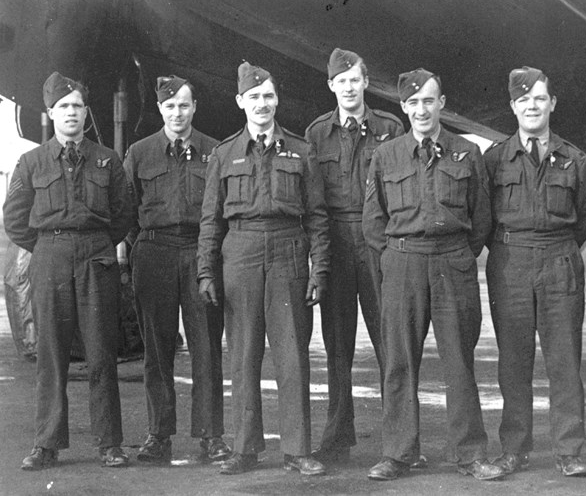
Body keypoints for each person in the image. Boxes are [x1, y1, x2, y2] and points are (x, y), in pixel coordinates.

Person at [362, 68, 504, 482]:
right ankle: (398, 453)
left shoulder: (466, 152)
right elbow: (373, 221)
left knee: (459, 359)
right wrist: (399, 255)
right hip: (404, 262)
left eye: (429, 100)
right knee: (399, 361)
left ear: (442, 103)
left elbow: (481, 219)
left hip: (452, 263)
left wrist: (457, 254)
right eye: (412, 102)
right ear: (403, 108)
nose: (421, 109)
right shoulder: (386, 155)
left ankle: (470, 453)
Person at [197, 62, 330, 476]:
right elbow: (211, 221)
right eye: (253, 97)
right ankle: (244, 448)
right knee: (243, 355)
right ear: (240, 102)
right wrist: (206, 271)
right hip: (240, 252)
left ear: (277, 100)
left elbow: (318, 217)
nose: (262, 104)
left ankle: (297, 449)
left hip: (289, 249)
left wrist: (319, 268)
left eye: (268, 96)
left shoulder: (302, 151)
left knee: (292, 356)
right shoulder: (224, 154)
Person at [4, 72, 135, 470]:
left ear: (85, 111)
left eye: (77, 105)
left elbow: (124, 215)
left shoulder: (107, 160)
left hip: (96, 256)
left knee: (101, 354)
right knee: (51, 355)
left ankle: (109, 443)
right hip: (51, 258)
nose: (71, 113)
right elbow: (14, 220)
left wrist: (95, 243)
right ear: (51, 112)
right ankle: (46, 443)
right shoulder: (31, 162)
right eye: (63, 106)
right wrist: (47, 246)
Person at [483, 67, 586, 478]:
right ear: (513, 107)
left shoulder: (575, 158)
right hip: (510, 263)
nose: (532, 106)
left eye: (539, 99)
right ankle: (514, 449)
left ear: (552, 104)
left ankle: (569, 450)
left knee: (564, 360)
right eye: (523, 100)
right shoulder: (495, 158)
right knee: (513, 363)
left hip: (558, 260)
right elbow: (484, 217)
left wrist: (557, 248)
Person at [123, 75, 230, 463]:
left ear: (194, 107)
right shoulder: (140, 152)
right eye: (170, 106)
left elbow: (222, 209)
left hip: (201, 252)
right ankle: (158, 434)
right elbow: (126, 210)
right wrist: (142, 249)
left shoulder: (214, 151)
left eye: (184, 105)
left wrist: (210, 257)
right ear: (160, 109)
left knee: (206, 348)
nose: (177, 112)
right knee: (157, 348)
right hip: (155, 252)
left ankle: (211, 435)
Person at [305, 48, 404, 463]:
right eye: (340, 80)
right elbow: (312, 201)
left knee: (391, 343)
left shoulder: (389, 127)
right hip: (337, 242)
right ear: (331, 86)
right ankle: (337, 436)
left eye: (354, 79)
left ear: (366, 82)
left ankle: (399, 440)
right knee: (337, 346)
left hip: (378, 240)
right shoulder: (316, 134)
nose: (348, 87)